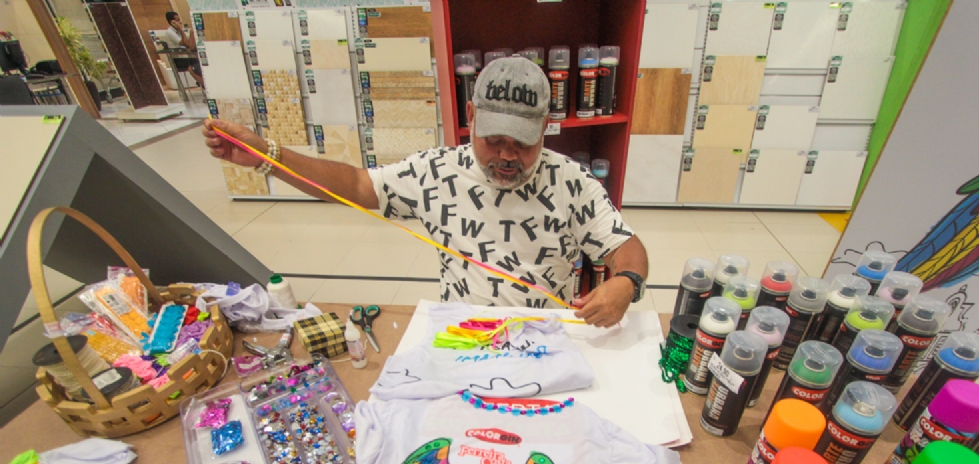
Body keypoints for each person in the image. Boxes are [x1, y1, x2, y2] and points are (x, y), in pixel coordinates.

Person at [202, 57, 648, 327]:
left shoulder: (571, 181)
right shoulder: (437, 171)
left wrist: (626, 283)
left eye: (524, 141)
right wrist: (268, 157)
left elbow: (625, 246)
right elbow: (357, 185)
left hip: (546, 336)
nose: (508, 155)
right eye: (494, 138)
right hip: (460, 334)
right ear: (470, 114)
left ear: (545, 127)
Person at [161, 11, 203, 88]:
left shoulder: (178, 31)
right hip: (179, 59)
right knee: (199, 63)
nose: (180, 22)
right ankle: (202, 83)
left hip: (187, 56)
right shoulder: (169, 32)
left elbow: (188, 42)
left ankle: (201, 81)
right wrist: (181, 30)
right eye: (177, 20)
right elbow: (185, 43)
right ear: (172, 22)